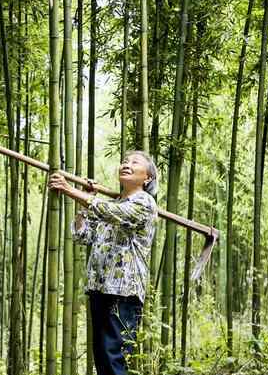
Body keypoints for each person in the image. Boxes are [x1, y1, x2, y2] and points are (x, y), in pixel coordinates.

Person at [48, 150, 158, 375]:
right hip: (100, 289)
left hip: (124, 293)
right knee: (103, 360)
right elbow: (83, 236)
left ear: (147, 178)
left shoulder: (144, 203)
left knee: (113, 358)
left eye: (135, 162)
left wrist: (70, 190)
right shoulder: (110, 203)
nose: (126, 165)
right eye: (124, 161)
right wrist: (83, 203)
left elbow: (112, 212)